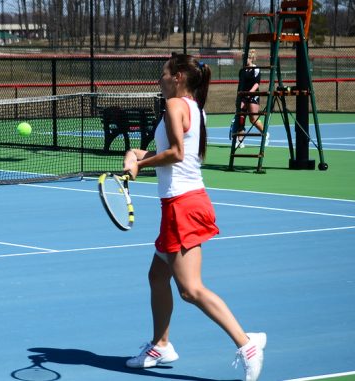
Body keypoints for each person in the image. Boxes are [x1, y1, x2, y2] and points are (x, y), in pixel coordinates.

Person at [122, 54, 266, 381]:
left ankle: (247, 344)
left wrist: (140, 166)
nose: (159, 79)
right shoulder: (194, 108)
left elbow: (176, 154)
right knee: (157, 277)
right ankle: (161, 344)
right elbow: (175, 155)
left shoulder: (174, 106)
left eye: (163, 74)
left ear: (179, 77)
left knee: (190, 290)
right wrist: (135, 154)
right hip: (182, 203)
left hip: (183, 206)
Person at [236, 49, 268, 149]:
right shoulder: (242, 70)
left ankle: (265, 134)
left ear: (251, 58)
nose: (244, 60)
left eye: (245, 58)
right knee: (241, 118)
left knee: (253, 119)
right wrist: (239, 98)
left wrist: (250, 93)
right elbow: (240, 85)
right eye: (243, 59)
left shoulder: (256, 69)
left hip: (253, 95)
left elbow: (257, 83)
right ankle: (240, 141)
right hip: (243, 97)